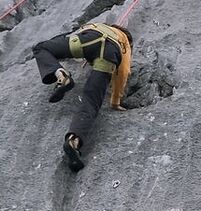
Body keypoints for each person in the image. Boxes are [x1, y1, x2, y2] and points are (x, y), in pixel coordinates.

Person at [33, 22, 133, 172]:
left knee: (41, 48)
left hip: (89, 39)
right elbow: (123, 71)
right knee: (91, 102)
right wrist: (115, 101)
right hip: (109, 55)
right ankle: (74, 141)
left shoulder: (95, 25)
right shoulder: (124, 41)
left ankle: (61, 74)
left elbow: (69, 37)